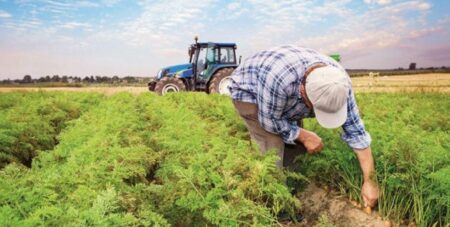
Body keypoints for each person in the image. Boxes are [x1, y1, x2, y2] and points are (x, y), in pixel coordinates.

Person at [228, 45, 379, 208]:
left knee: (295, 145)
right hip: (250, 92)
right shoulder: (279, 79)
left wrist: (370, 181)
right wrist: (304, 135)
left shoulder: (339, 84)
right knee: (271, 147)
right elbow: (269, 121)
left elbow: (357, 133)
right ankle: (274, 203)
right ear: (303, 91)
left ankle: (293, 188)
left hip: (283, 94)